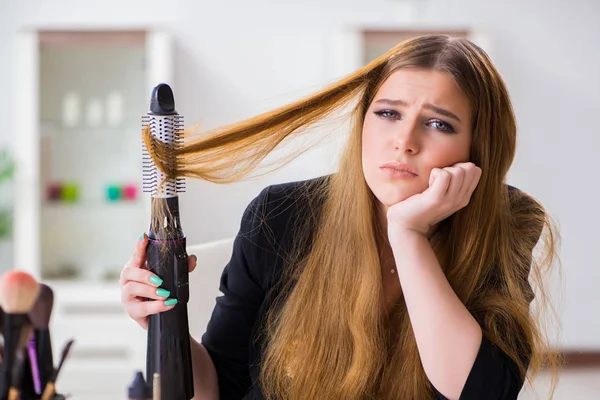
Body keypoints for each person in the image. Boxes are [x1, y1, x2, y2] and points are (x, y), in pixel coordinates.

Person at [120, 34, 561, 400]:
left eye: (439, 124)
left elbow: (482, 393)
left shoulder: (508, 222)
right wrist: (164, 323)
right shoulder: (281, 215)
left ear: (477, 149)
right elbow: (222, 384)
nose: (404, 141)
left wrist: (408, 235)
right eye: (388, 113)